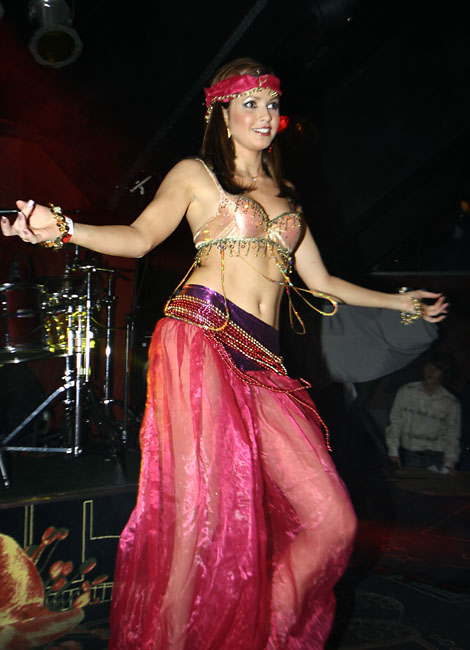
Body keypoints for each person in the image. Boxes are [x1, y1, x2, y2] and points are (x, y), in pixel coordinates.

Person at [1, 58, 448, 650]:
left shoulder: (287, 195)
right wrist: (61, 228)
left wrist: (400, 302)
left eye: (272, 103)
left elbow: (322, 282)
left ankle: (256, 636)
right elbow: (138, 238)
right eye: (250, 103)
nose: (264, 115)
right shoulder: (197, 174)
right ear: (221, 111)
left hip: (264, 362)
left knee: (332, 521)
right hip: (201, 336)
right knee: (203, 518)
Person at [386, 354, 460, 473]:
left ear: (443, 373)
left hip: (437, 457)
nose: (431, 371)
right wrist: (393, 452)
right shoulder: (407, 391)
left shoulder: (450, 402)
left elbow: (452, 434)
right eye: (428, 367)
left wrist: (450, 462)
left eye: (436, 369)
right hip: (411, 455)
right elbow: (395, 422)